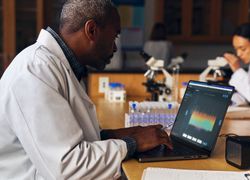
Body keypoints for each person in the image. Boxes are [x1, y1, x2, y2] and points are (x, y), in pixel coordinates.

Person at [0, 0, 172, 179]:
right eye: (114, 37)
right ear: (91, 30)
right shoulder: (36, 71)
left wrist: (128, 133)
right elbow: (68, 167)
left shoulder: (63, 67)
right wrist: (134, 143)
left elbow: (80, 139)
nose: (114, 47)